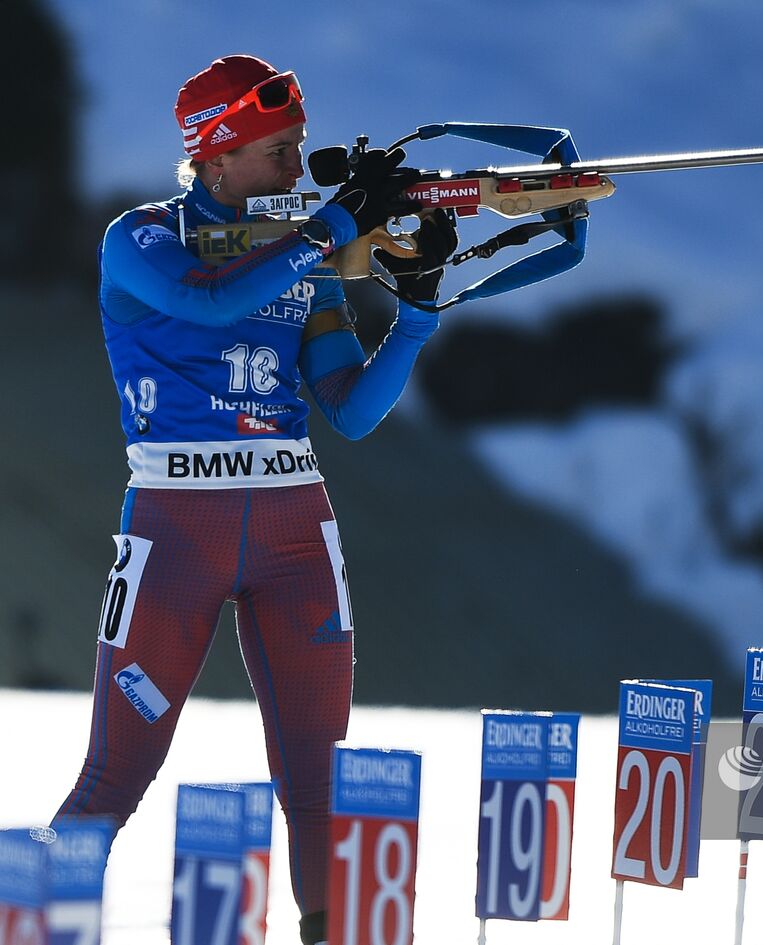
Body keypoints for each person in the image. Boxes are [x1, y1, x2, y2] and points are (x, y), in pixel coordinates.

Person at [53, 54, 455, 945]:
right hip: (173, 528)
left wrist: (417, 314)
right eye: (278, 152)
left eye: (301, 148)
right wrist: (330, 229)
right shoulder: (141, 237)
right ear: (216, 154)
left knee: (320, 779)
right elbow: (206, 303)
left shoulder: (301, 259)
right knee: (114, 775)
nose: (294, 171)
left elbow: (348, 409)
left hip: (293, 524)